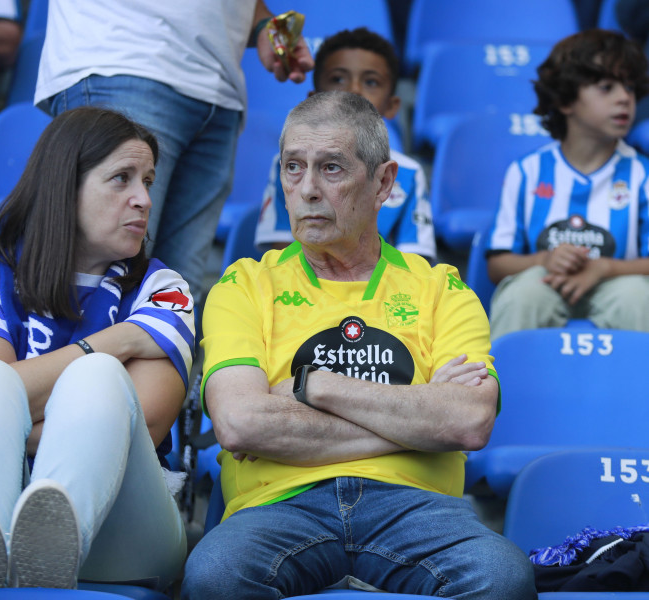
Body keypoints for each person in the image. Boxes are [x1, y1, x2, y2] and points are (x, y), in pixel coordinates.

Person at [182, 91, 537, 599]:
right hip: (280, 506)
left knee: (501, 576)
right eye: (292, 168)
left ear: (384, 183)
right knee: (214, 574)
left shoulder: (443, 288)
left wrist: (313, 386)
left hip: (418, 509)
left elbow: (468, 420)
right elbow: (240, 424)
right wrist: (418, 421)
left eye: (330, 168)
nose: (305, 190)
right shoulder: (243, 284)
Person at [0, 106, 195, 595]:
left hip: (118, 532)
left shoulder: (164, 289)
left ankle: (51, 545)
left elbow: (142, 428)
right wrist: (118, 340)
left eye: (148, 181)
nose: (144, 199)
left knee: (95, 380)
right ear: (63, 187)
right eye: (121, 179)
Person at [35, 0, 314, 303]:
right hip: (123, 57)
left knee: (174, 301)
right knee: (94, 286)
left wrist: (262, 25)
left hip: (219, 92)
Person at [485, 29, 649, 340]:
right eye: (606, 87)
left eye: (629, 86)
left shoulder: (643, 175)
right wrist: (543, 260)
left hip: (619, 284)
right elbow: (497, 265)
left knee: (639, 298)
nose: (624, 97)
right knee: (521, 296)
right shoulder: (527, 171)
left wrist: (605, 269)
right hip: (546, 281)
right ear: (564, 101)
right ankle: (501, 390)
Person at [255, 27, 436, 263]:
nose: (354, 91)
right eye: (338, 79)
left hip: (381, 292)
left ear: (392, 105)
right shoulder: (290, 163)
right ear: (314, 98)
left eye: (371, 81)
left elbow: (414, 261)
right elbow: (282, 251)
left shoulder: (408, 173)